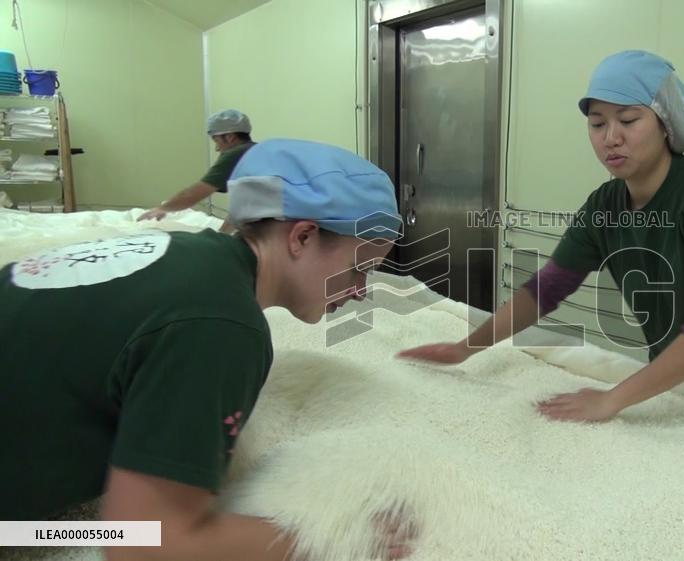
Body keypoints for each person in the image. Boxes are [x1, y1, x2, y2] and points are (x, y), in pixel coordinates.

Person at [0, 139, 414, 560]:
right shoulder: (222, 324)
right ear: (303, 236)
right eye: (359, 268)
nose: (362, 292)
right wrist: (337, 535)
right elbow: (143, 545)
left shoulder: (184, 254)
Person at [399, 50, 684, 421]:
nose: (610, 137)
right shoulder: (606, 206)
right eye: (598, 124)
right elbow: (546, 290)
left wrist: (611, 400)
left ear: (666, 123)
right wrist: (467, 348)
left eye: (629, 120)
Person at [138, 109, 255, 231]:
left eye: (216, 141)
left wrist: (162, 208)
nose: (217, 149)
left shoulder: (237, 154)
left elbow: (192, 194)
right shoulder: (255, 151)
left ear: (230, 137)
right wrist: (221, 236)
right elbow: (241, 208)